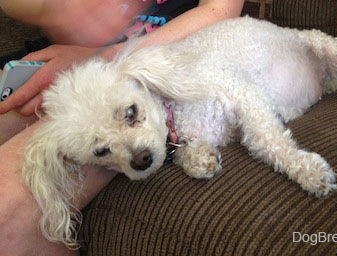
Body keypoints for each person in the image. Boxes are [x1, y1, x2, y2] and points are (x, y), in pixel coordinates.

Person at [0, 0, 244, 255]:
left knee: (4, 214)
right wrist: (53, 7)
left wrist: (100, 59)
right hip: (52, 68)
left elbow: (220, 12)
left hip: (131, 78)